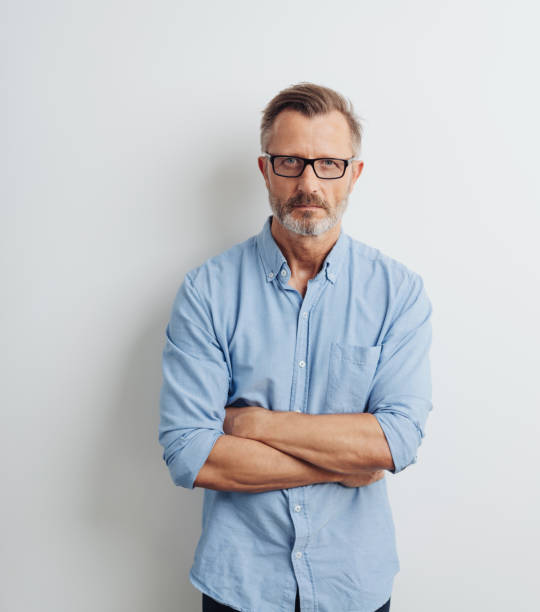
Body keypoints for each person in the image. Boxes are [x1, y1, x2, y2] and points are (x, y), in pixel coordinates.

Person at [158, 82, 434, 612]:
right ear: (265, 170)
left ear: (354, 174)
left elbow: (395, 441)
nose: (308, 183)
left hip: (354, 584)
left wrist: (254, 424)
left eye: (328, 163)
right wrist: (345, 462)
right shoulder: (207, 292)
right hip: (240, 587)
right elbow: (191, 454)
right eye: (290, 162)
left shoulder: (397, 293)